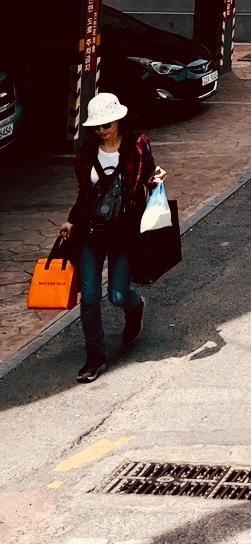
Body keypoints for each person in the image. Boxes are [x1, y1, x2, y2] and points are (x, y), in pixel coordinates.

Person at [58, 91, 165, 385]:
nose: (101, 130)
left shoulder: (137, 145)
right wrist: (71, 220)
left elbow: (148, 176)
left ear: (118, 121)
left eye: (106, 125)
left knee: (117, 295)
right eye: (97, 126)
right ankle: (95, 356)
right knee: (89, 298)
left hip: (123, 233)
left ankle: (135, 306)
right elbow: (85, 193)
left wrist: (156, 179)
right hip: (91, 232)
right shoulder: (87, 150)